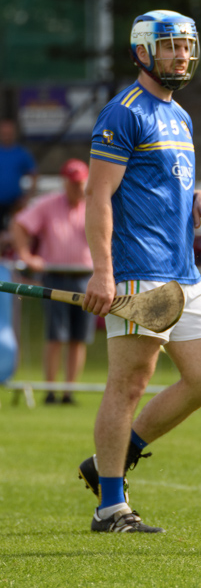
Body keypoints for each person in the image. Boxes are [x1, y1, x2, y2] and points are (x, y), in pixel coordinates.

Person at [76, 9, 201, 534]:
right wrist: (103, 272)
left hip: (184, 271)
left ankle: (112, 460)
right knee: (130, 381)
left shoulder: (179, 115)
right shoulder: (124, 112)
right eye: (170, 47)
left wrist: (200, 195)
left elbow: (168, 183)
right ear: (143, 51)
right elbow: (98, 196)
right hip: (139, 271)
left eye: (186, 46)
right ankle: (111, 507)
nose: (181, 55)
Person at [10, 159, 94, 405]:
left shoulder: (95, 205)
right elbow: (19, 224)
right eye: (72, 182)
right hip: (55, 277)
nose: (77, 187)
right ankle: (50, 389)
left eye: (80, 183)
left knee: (79, 338)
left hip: (86, 278)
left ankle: (69, 392)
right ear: (64, 182)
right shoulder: (48, 205)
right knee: (56, 335)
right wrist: (25, 255)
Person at [0, 118, 38, 229]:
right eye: (4, 133)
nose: (7, 135)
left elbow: (34, 174)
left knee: (15, 232)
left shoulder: (22, 153)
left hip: (15, 202)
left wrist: (28, 196)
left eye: (9, 133)